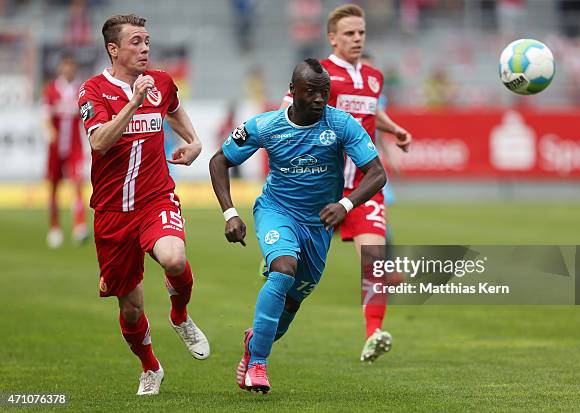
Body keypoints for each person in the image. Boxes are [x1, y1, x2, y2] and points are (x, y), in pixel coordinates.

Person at [209, 59, 387, 394]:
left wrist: (345, 204)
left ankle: (254, 342)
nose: (320, 99)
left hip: (318, 224)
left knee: (291, 303)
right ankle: (259, 363)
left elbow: (377, 173)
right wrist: (230, 213)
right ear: (292, 92)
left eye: (325, 92)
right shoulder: (265, 126)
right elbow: (219, 160)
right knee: (283, 268)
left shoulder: (341, 125)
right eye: (311, 92)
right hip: (276, 211)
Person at [78, 14, 209, 396]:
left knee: (174, 257)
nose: (145, 48)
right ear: (113, 49)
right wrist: (133, 102)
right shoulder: (93, 91)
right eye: (135, 42)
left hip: (155, 198)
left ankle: (180, 316)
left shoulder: (161, 82)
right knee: (131, 308)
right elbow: (99, 142)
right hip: (112, 211)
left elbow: (173, 108)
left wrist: (195, 140)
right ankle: (150, 366)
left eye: (147, 40)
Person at [281, 4, 411, 363]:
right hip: (320, 190)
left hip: (364, 189)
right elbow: (287, 111)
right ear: (332, 38)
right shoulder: (320, 76)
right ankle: (267, 329)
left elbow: (370, 109)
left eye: (361, 33)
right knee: (295, 276)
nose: (357, 39)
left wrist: (393, 127)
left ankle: (373, 334)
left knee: (376, 263)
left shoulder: (373, 76)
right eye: (350, 34)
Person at [43, 53, 88, 249]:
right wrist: (50, 132)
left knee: (78, 183)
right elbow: (45, 116)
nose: (68, 70)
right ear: (61, 68)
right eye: (65, 66)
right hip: (55, 149)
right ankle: (54, 227)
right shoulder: (52, 90)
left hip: (74, 148)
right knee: (53, 187)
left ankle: (80, 226)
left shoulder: (81, 90)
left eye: (72, 66)